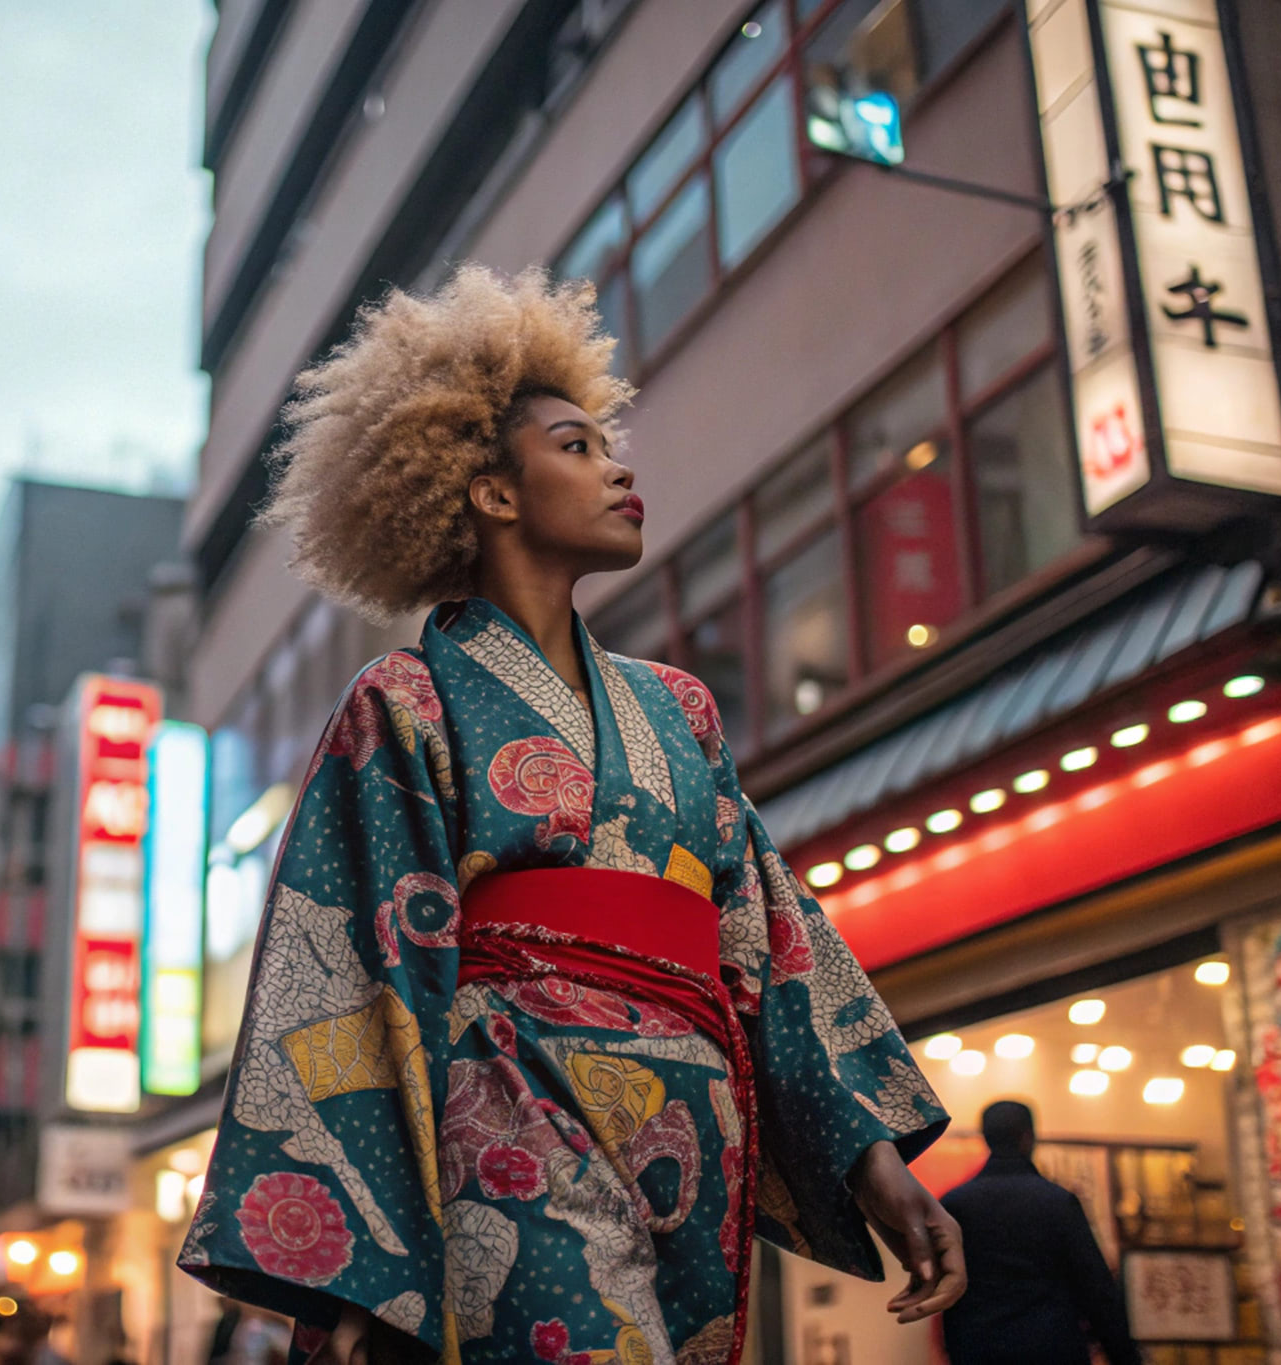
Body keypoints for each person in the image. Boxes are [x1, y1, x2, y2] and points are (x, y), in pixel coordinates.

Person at [175, 265, 965, 1365]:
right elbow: (348, 971)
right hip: (503, 1102)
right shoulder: (403, 701)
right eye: (576, 446)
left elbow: (770, 948)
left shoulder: (678, 710)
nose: (619, 465)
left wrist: (876, 1162)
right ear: (489, 492)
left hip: (698, 1128)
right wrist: (357, 1266)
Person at [940, 1100, 1142, 1365]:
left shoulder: (954, 1204)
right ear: (1029, 1136)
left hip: (977, 1347)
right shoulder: (1057, 1202)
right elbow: (1095, 1288)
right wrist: (1123, 1355)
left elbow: (942, 1286)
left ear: (985, 1138)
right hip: (1052, 1346)